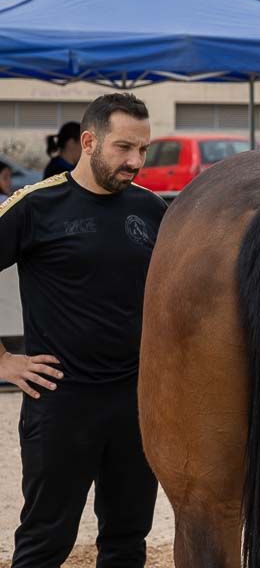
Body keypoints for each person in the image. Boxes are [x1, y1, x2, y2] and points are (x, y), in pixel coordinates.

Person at [0, 93, 165, 568]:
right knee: (45, 541)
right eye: (123, 148)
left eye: (143, 150)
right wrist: (5, 361)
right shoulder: (38, 206)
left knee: (127, 540)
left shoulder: (153, 210)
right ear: (89, 141)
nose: (135, 161)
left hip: (135, 403)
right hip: (60, 403)